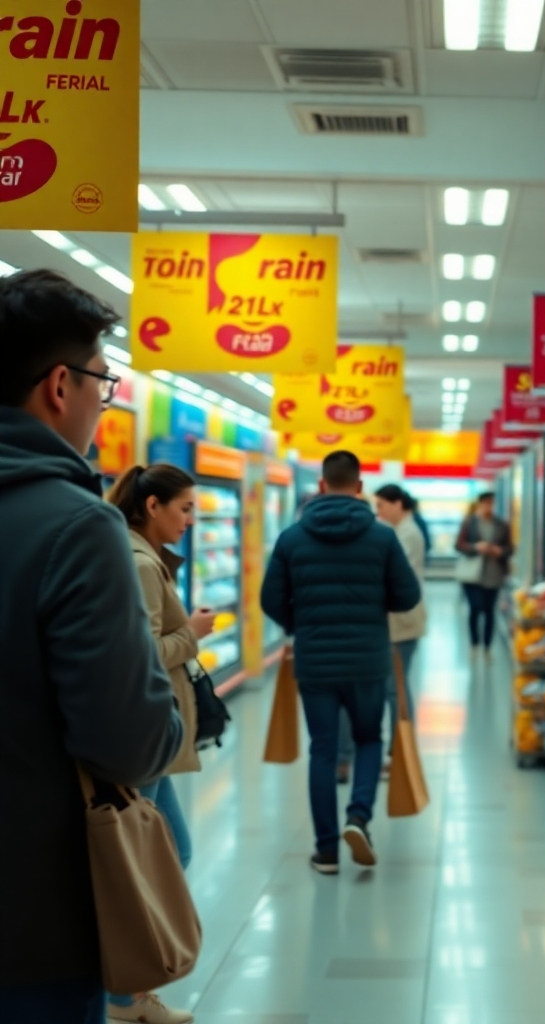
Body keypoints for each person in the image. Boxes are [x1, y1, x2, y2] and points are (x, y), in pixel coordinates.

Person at [0, 270, 183, 1024]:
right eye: (104, 386)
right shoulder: (78, 526)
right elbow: (127, 743)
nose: (102, 405)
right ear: (59, 386)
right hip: (32, 915)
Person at [261, 451, 421, 873]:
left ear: (320, 486)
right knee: (369, 738)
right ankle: (359, 817)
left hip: (314, 660)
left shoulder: (292, 537)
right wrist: (372, 606)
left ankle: (327, 850)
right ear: (360, 487)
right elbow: (407, 597)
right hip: (369, 657)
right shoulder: (383, 538)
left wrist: (302, 624)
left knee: (324, 750)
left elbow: (270, 599)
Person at [105, 464, 217, 1024]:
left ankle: (129, 992)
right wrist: (191, 634)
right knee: (151, 860)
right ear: (152, 506)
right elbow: (143, 653)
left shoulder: (136, 552)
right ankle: (124, 996)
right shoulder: (140, 562)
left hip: (154, 730)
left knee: (172, 851)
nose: (191, 520)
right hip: (147, 726)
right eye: (185, 508)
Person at [374, 485, 427, 759]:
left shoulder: (408, 533)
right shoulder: (400, 531)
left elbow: (393, 573)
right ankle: (399, 748)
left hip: (403, 623)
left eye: (381, 505)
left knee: (396, 689)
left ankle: (401, 752)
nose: (378, 512)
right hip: (398, 622)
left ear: (398, 504)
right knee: (395, 687)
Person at [455, 491, 514, 659]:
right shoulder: (469, 523)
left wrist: (500, 551)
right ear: (480, 503)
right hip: (472, 574)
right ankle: (474, 644)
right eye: (486, 503)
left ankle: (487, 647)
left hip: (494, 573)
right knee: (475, 608)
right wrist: (475, 547)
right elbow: (458, 545)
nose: (489, 506)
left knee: (489, 611)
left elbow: (510, 548)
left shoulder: (502, 525)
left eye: (492, 503)